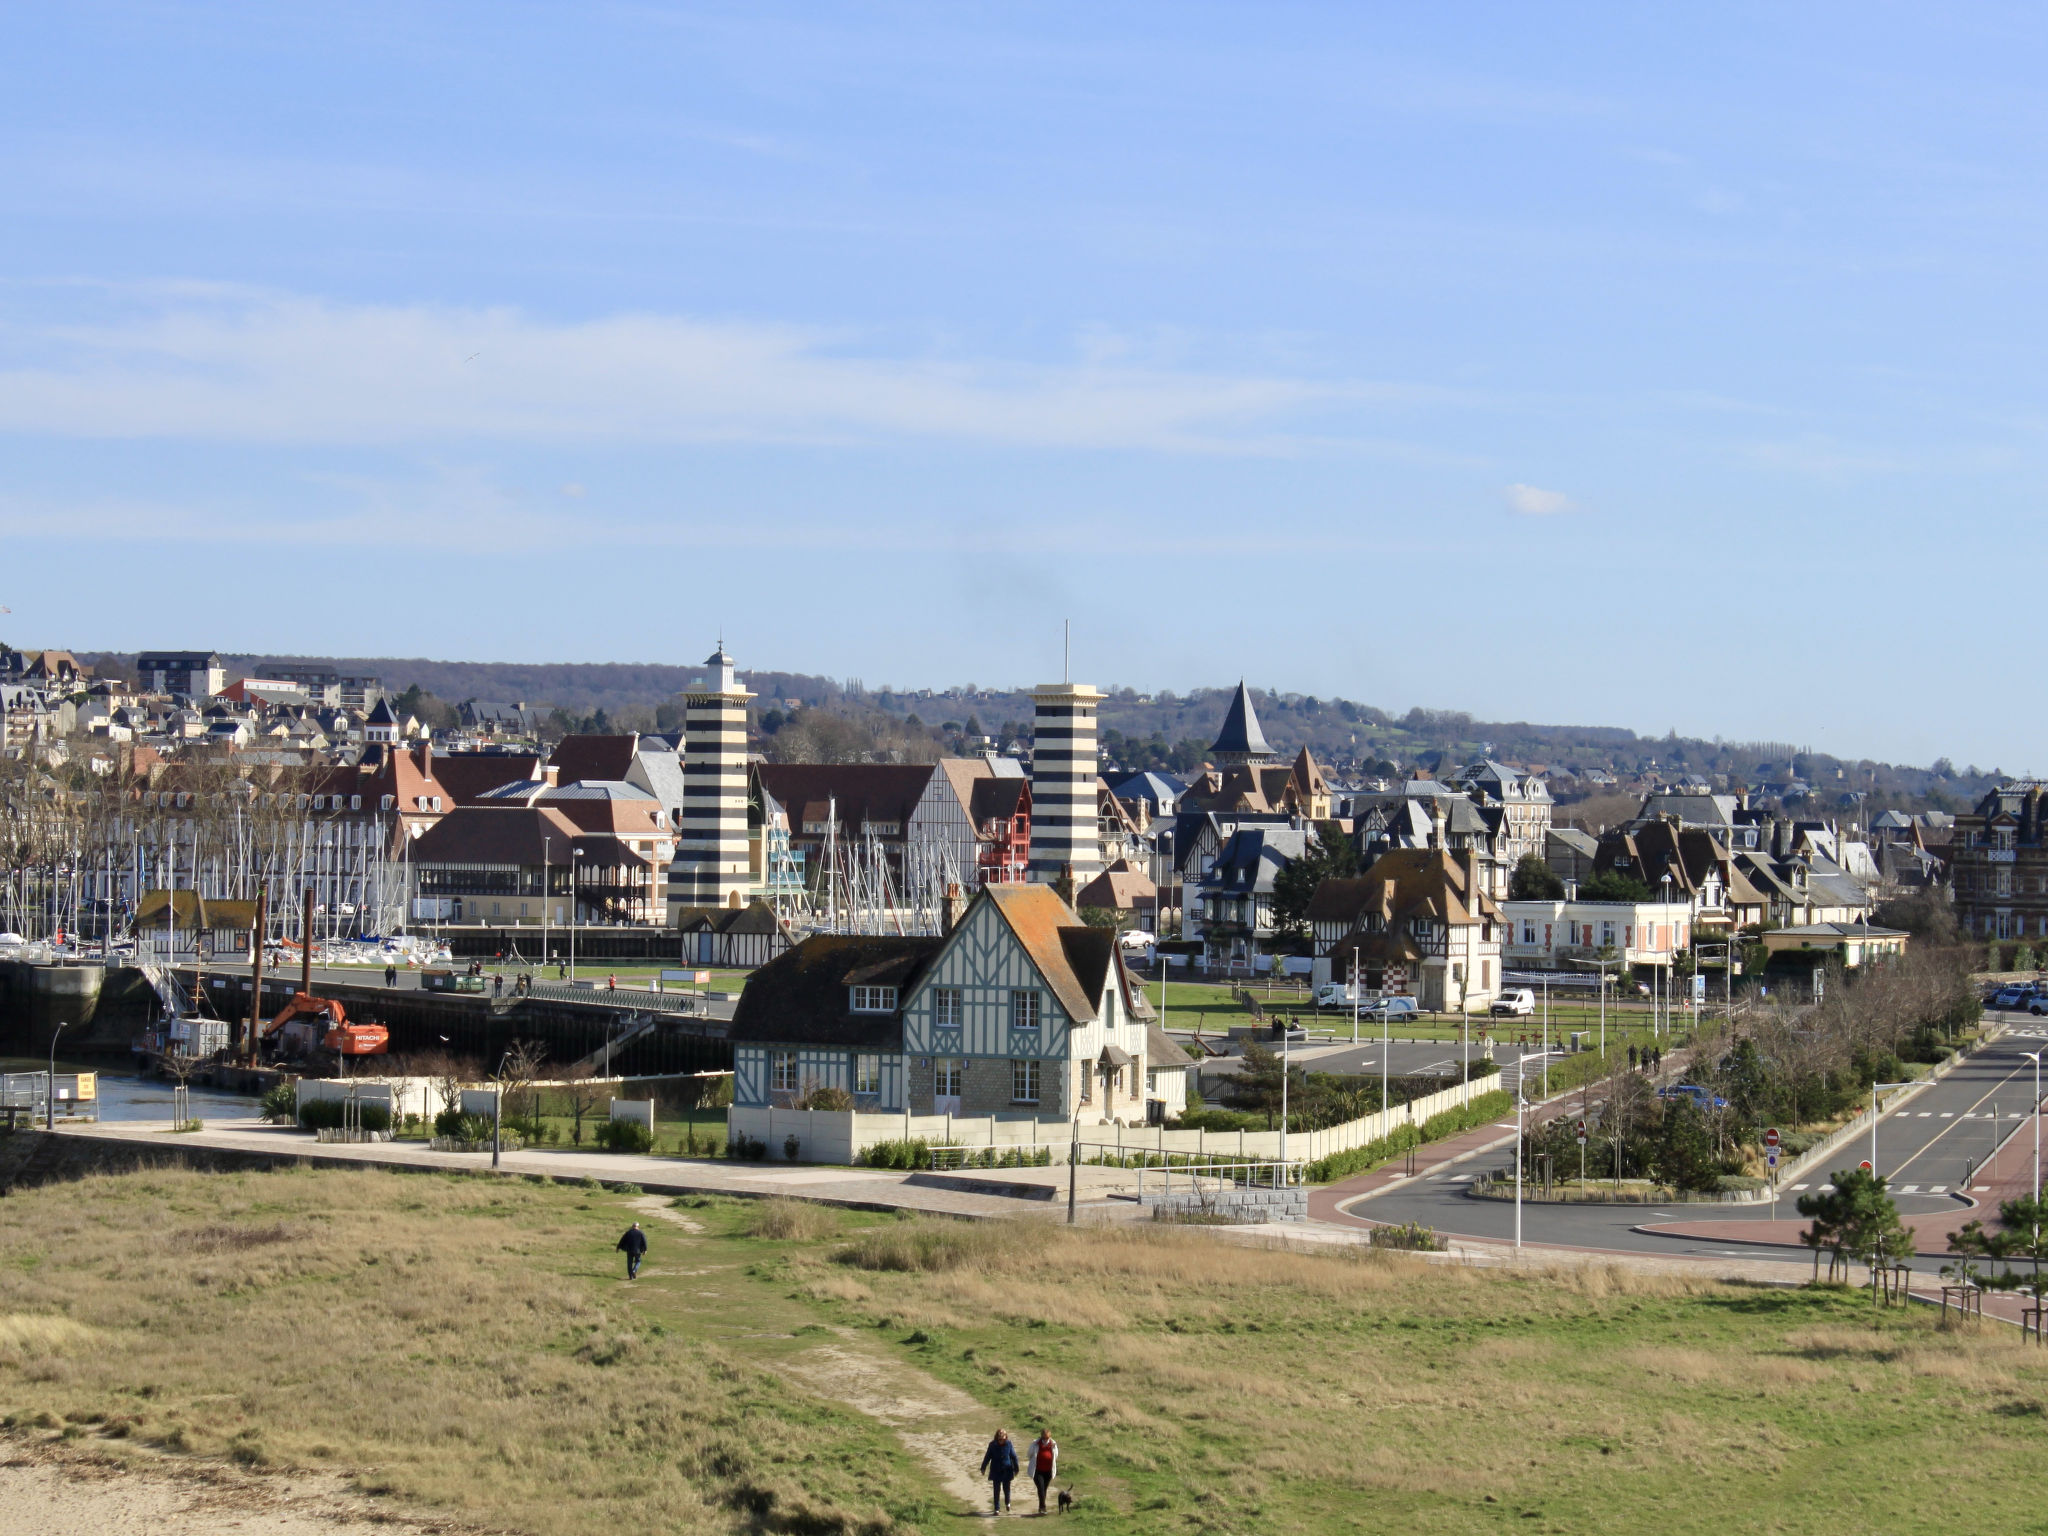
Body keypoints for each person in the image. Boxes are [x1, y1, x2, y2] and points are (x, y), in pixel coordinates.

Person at [979, 1428, 1017, 1515]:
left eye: (1003, 1438)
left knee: (1006, 1489)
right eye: (1000, 1438)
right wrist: (983, 1467)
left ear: (1005, 1437)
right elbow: (987, 1457)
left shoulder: (1009, 1444)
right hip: (996, 1470)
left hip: (1007, 1470)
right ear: (997, 1437)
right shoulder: (992, 1445)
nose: (1001, 1440)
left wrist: (1016, 1468)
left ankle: (1007, 1502)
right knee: (996, 1490)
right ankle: (997, 1508)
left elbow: (1014, 1457)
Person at [1027, 1427, 1059, 1513]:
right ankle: (1042, 1507)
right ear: (1041, 1436)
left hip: (1048, 1471)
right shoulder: (1035, 1444)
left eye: (1047, 1437)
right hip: (1037, 1471)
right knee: (1041, 1488)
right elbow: (1029, 1454)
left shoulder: (1053, 1444)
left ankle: (1041, 1506)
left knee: (1044, 1489)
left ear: (1050, 1437)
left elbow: (1055, 1456)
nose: (1045, 1439)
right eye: (1044, 1438)